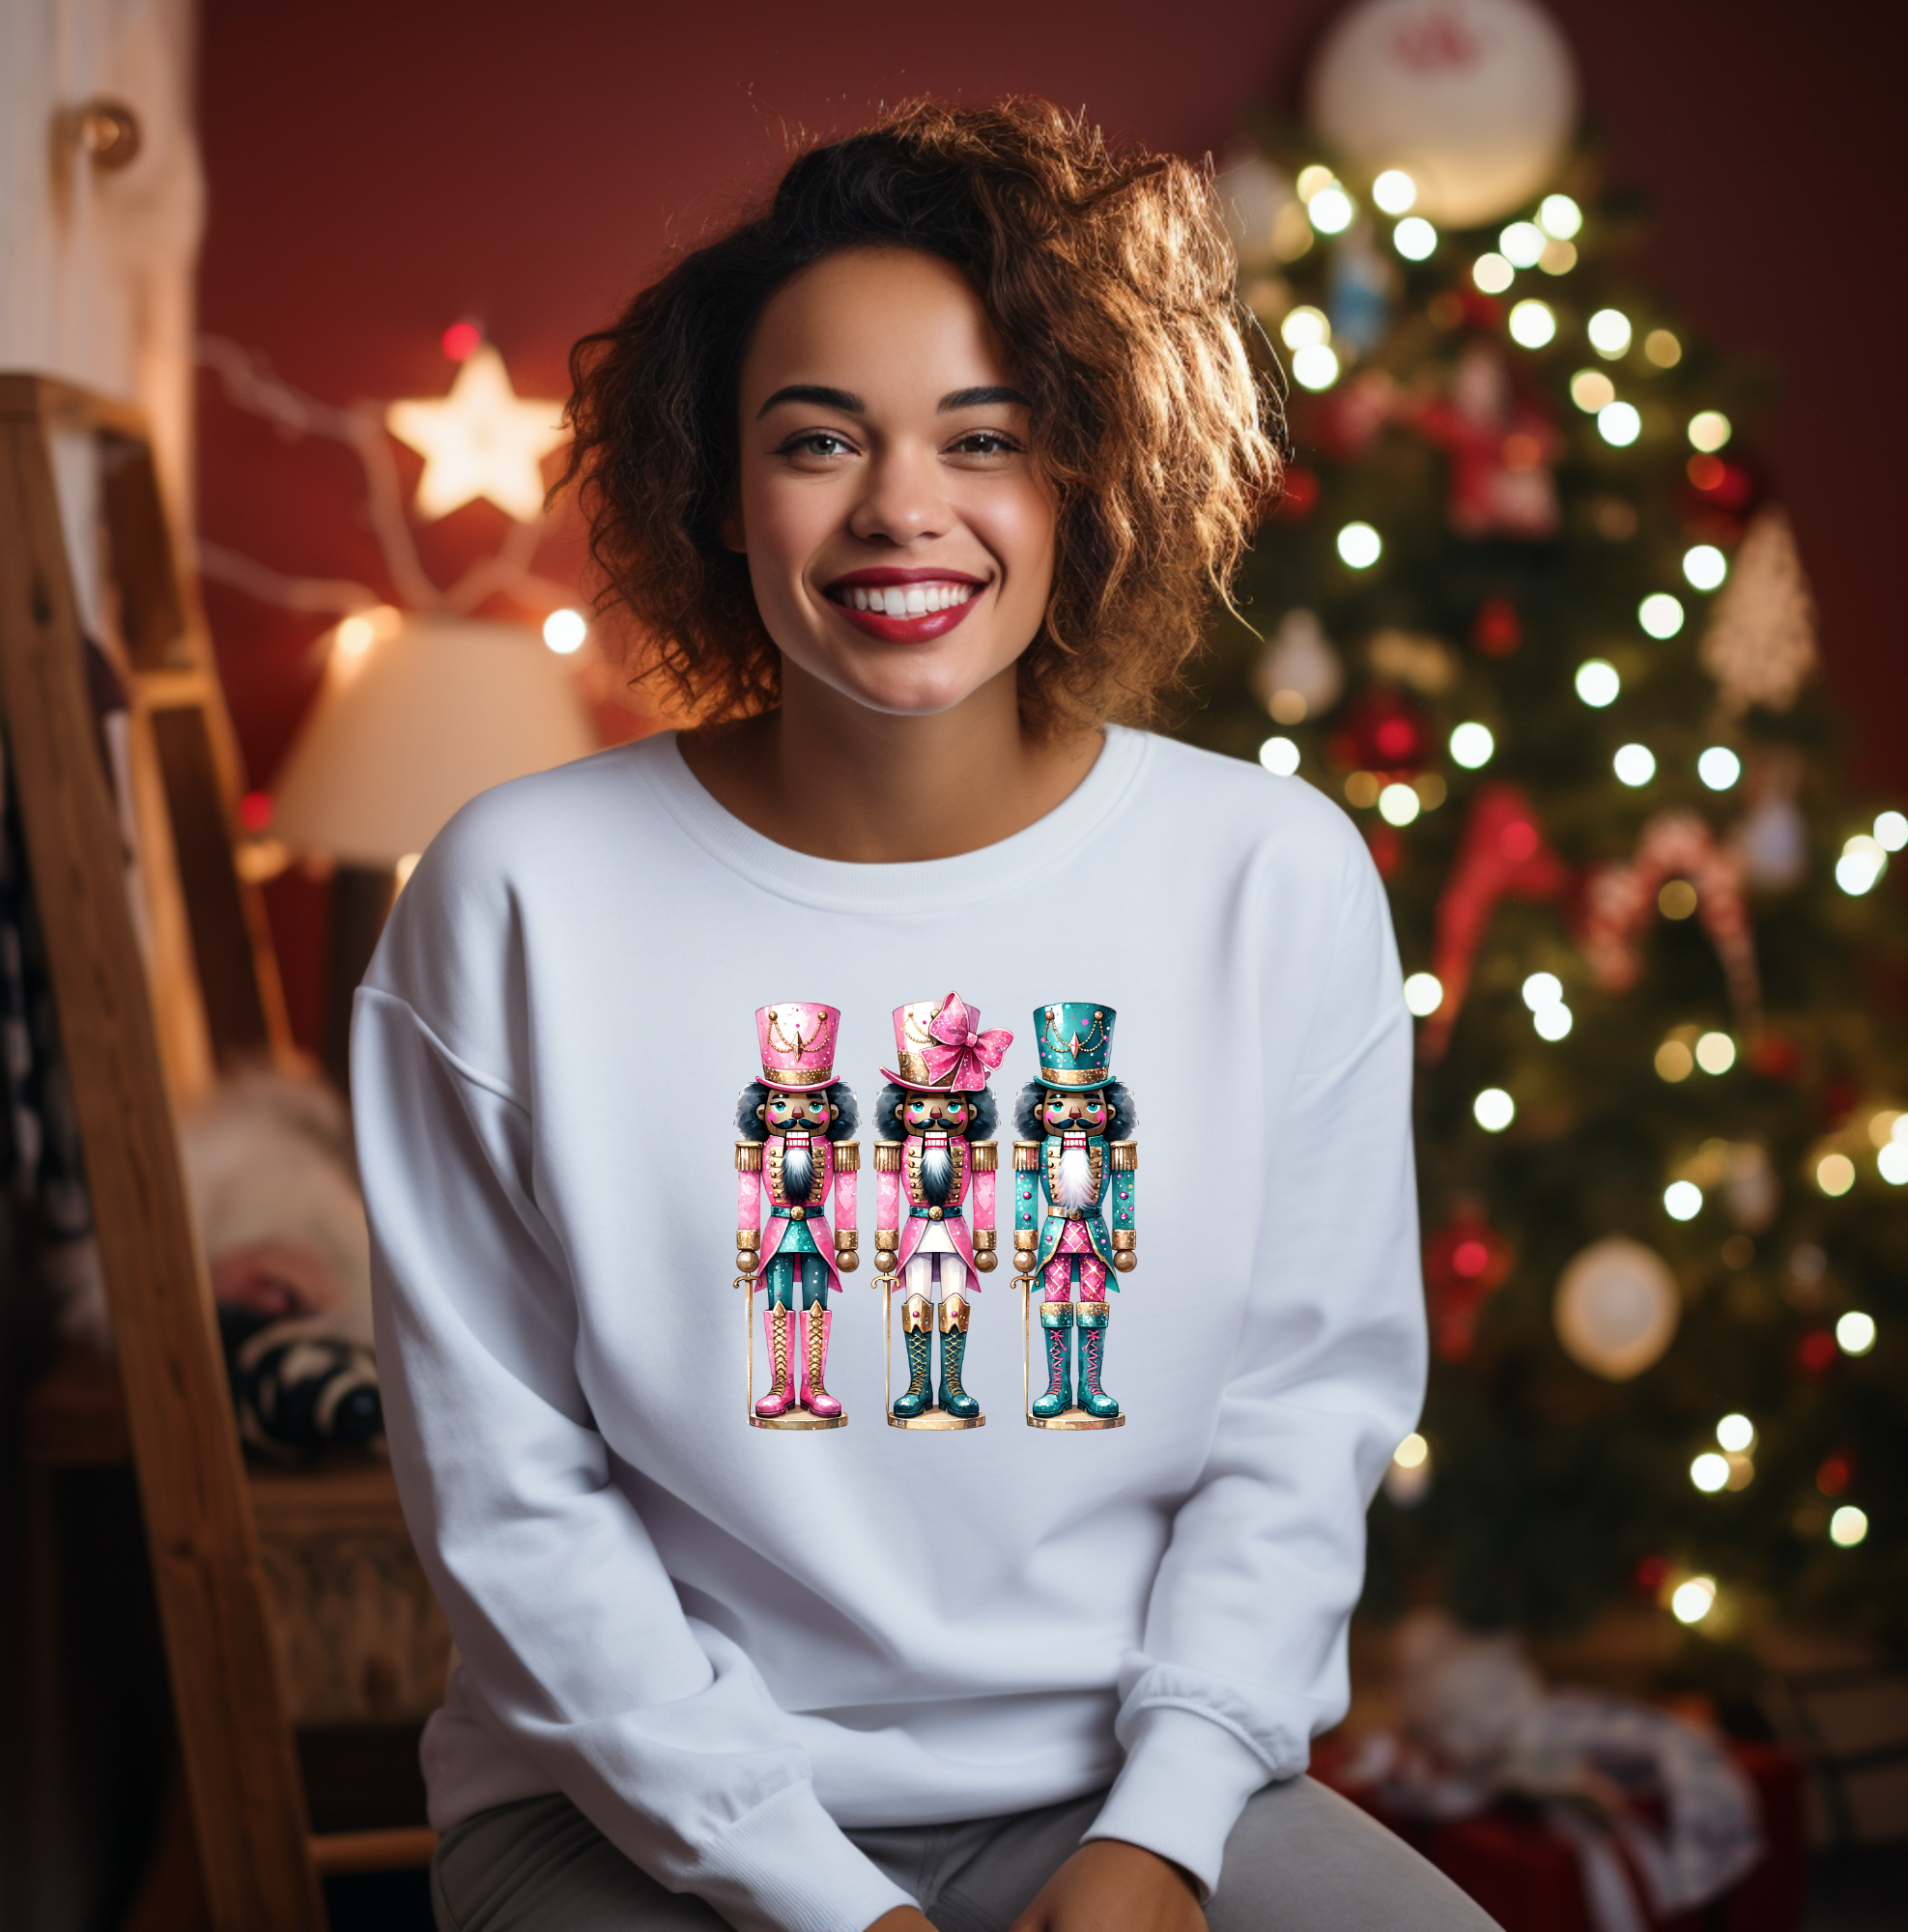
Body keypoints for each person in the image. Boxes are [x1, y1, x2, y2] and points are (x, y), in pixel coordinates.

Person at [354, 97, 1496, 1932]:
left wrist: (1161, 1828)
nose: (903, 506)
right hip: (624, 1809)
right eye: (820, 440)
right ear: (718, 495)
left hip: (1126, 1787)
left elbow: (1300, 1420)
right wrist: (828, 1900)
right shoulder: (517, 897)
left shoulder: (1271, 879)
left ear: (1086, 484)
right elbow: (511, 1501)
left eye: (988, 438)